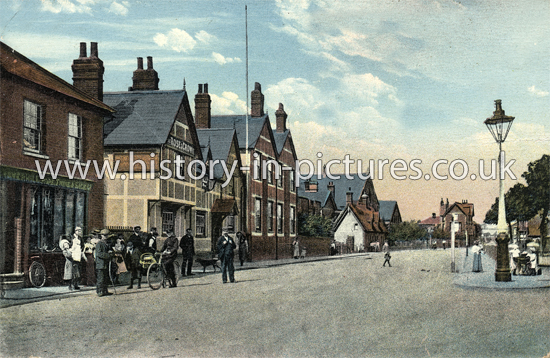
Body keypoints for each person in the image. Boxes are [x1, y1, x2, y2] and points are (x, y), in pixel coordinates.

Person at [94, 229, 113, 297]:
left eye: (107, 235)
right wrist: (108, 255)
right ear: (101, 235)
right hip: (100, 264)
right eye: (104, 235)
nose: (106, 236)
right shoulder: (99, 243)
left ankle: (105, 290)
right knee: (100, 279)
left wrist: (111, 252)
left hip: (105, 264)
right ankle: (99, 291)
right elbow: (99, 254)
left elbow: (109, 250)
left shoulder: (107, 243)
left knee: (105, 278)